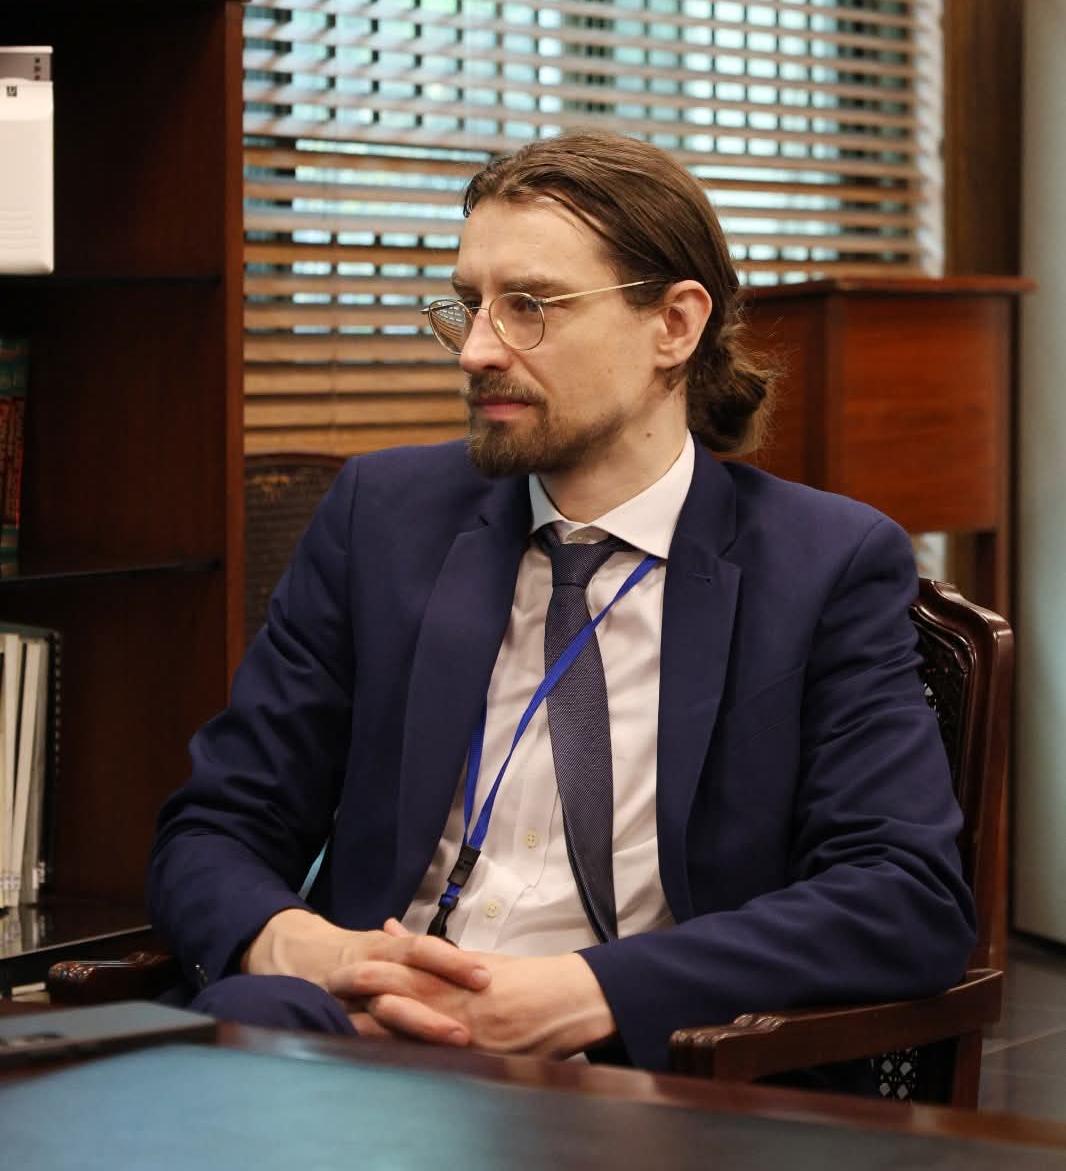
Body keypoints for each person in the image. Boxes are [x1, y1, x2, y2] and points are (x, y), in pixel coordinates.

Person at [148, 130, 975, 1075]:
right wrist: (307, 949)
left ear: (675, 325)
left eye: (529, 307)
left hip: (626, 1075)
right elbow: (215, 827)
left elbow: (902, 896)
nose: (477, 350)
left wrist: (587, 994)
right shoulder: (382, 519)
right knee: (239, 1033)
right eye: (469, 306)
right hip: (356, 1041)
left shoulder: (824, 566)